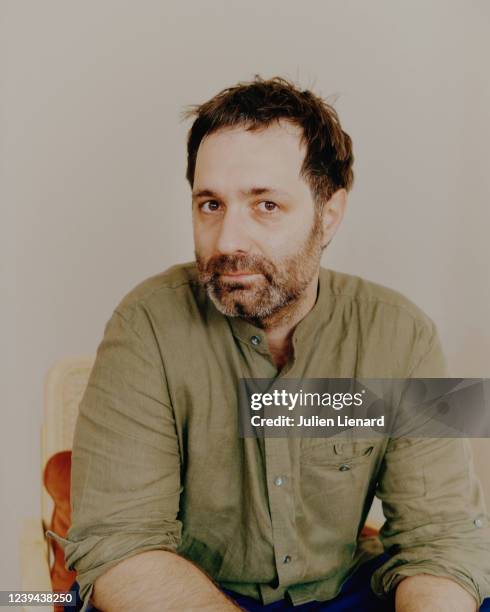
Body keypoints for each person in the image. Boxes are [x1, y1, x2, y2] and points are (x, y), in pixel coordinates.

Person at [51, 77, 490, 611]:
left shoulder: (407, 335)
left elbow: (441, 538)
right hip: (187, 592)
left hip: (340, 594)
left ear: (329, 214)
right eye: (211, 205)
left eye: (265, 205)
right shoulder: (143, 325)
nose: (229, 240)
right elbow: (120, 546)